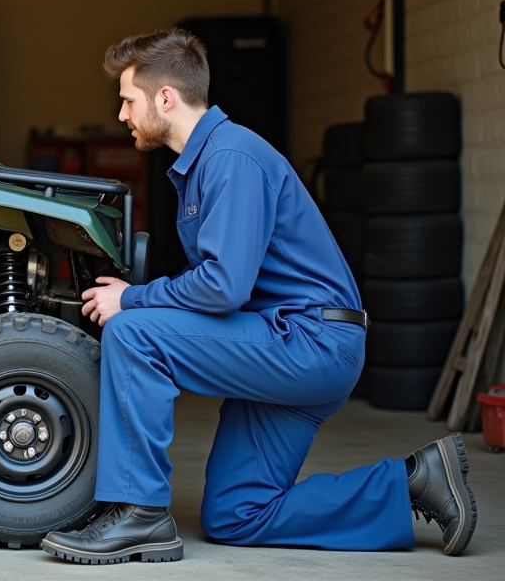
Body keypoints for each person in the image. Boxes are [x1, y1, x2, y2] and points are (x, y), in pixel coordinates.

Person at [41, 28, 477, 564]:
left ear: (165, 97)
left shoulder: (233, 157)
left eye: (128, 100)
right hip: (286, 344)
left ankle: (138, 515)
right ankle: (415, 483)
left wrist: (133, 299)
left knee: (135, 333)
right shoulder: (203, 165)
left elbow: (224, 287)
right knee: (236, 514)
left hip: (311, 342)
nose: (122, 115)